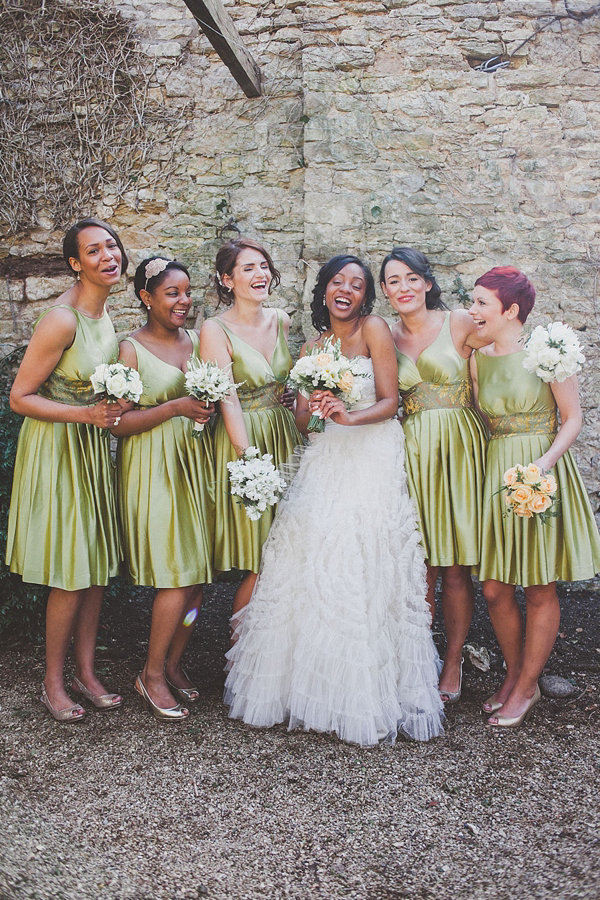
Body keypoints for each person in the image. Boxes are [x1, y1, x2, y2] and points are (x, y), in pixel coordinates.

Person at [224, 255, 444, 747]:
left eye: (357, 284)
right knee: (308, 561)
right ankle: (306, 691)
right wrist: (312, 405)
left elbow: (391, 402)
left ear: (365, 296)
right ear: (324, 291)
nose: (346, 289)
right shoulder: (313, 347)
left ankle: (366, 694)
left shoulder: (374, 330)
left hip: (370, 455)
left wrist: (349, 414)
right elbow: (306, 424)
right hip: (325, 458)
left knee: (364, 560)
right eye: (337, 282)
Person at [6, 218, 127, 721]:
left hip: (92, 449)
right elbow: (19, 398)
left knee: (94, 567)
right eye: (94, 251)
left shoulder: (105, 317)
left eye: (113, 246)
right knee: (71, 571)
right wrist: (86, 413)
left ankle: (86, 670)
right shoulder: (61, 319)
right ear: (76, 264)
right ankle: (53, 683)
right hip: (59, 450)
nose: (108, 256)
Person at [470, 266, 600, 727]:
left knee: (540, 584)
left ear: (510, 310)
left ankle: (527, 688)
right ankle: (512, 674)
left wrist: (542, 466)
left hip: (539, 469)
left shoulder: (548, 351)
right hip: (496, 473)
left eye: (482, 303)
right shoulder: (478, 357)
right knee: (493, 586)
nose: (473, 311)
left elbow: (572, 418)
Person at [381, 247, 487, 704]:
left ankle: (454, 658)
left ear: (426, 282)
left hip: (460, 446)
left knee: (456, 566)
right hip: (412, 451)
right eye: (392, 281)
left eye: (410, 278)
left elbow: (500, 362)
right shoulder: (384, 335)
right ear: (384, 292)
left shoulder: (460, 322)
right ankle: (416, 657)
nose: (402, 288)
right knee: (419, 563)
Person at [113, 258, 215, 721]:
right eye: (172, 293)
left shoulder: (195, 342)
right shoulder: (131, 349)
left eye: (187, 291)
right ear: (146, 298)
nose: (183, 301)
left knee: (196, 579)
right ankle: (149, 674)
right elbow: (119, 423)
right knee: (178, 571)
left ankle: (172, 664)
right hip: (153, 467)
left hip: (194, 463)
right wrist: (175, 407)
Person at [199, 238, 301, 616]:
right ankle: (239, 656)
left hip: (284, 435)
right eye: (248, 268)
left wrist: (288, 395)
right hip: (245, 440)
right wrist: (249, 463)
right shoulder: (215, 330)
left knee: (289, 545)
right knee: (261, 554)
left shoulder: (281, 320)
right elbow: (228, 399)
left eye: (263, 266)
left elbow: (281, 378)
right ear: (227, 280)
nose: (260, 274)